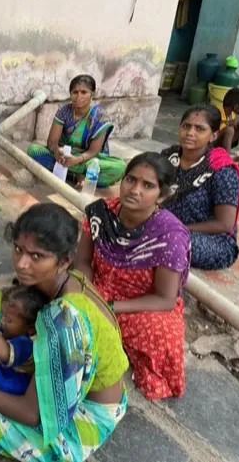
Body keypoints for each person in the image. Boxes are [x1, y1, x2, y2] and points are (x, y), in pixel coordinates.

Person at [0, 204, 129, 461]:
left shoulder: (64, 320)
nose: (22, 263)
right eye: (18, 249)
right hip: (57, 378)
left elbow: (32, 415)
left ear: (64, 261)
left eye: (37, 256)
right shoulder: (63, 281)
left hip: (86, 416)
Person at [76, 152, 191, 400]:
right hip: (97, 289)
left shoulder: (170, 236)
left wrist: (111, 307)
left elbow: (165, 299)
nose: (134, 190)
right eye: (130, 180)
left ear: (162, 195)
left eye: (147, 185)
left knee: (162, 333)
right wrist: (89, 293)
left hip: (139, 305)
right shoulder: (100, 213)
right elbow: (82, 262)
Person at [161, 104, 239, 270]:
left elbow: (225, 225)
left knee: (166, 241)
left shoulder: (221, 170)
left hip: (211, 240)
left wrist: (178, 229)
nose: (190, 133)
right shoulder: (169, 157)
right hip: (166, 226)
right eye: (186, 126)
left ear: (213, 135)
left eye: (199, 129)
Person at [27, 74, 126, 188]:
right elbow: (52, 142)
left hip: (88, 159)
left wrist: (77, 159)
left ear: (92, 94)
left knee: (120, 167)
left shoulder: (100, 116)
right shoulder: (64, 112)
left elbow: (93, 151)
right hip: (64, 156)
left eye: (84, 92)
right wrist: (57, 152)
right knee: (34, 150)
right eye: (75, 92)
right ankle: (78, 175)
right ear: (70, 94)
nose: (79, 96)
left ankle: (71, 173)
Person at [214, 88, 239, 154]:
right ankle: (227, 157)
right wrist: (228, 124)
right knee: (230, 130)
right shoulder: (217, 112)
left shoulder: (232, 114)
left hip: (222, 142)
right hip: (212, 141)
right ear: (236, 106)